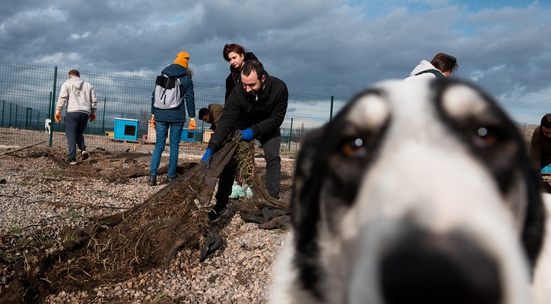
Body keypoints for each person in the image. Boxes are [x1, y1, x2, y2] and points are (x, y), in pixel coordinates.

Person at [201, 60, 288, 221]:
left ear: (262, 79)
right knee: (229, 159)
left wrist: (254, 131)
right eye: (244, 84)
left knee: (272, 156)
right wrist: (211, 147)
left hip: (268, 125)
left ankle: (271, 202)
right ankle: (220, 205)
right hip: (244, 123)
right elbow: (226, 120)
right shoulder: (239, 91)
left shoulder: (279, 88)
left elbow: (277, 119)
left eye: (251, 85)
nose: (247, 89)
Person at [148, 52, 196, 186]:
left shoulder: (164, 74)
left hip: (161, 115)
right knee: (174, 146)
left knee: (159, 145)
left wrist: (153, 114)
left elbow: (154, 95)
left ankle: (152, 176)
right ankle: (171, 177)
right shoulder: (186, 78)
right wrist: (192, 117)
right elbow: (190, 99)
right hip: (177, 116)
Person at [55, 69, 97, 165]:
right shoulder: (88, 85)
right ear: (79, 76)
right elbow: (93, 100)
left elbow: (62, 98)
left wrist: (58, 111)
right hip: (85, 113)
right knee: (79, 132)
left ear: (70, 76)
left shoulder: (67, 84)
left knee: (71, 134)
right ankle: (83, 149)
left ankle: (72, 158)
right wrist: (93, 112)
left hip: (72, 112)